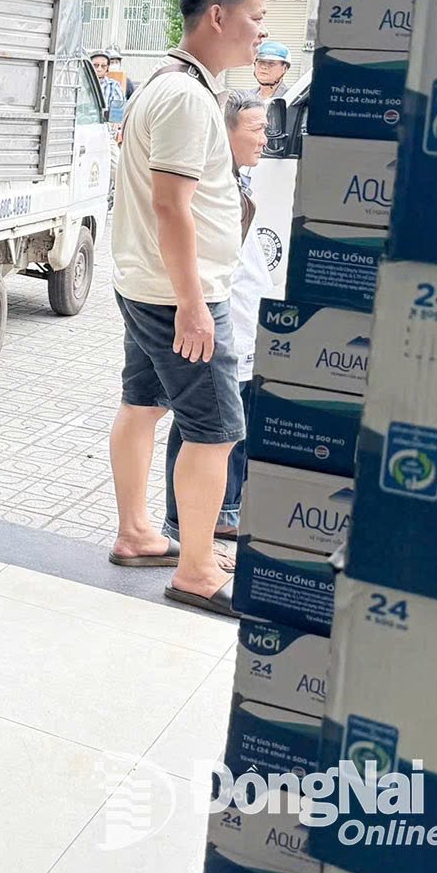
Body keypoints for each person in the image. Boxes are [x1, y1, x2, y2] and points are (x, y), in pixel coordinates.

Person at [105, 0, 269, 616]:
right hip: (178, 295)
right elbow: (172, 207)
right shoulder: (185, 96)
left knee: (142, 404)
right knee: (215, 430)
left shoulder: (173, 84)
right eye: (256, 18)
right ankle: (197, 569)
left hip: (152, 285)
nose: (261, 32)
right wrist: (196, 304)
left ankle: (137, 532)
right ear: (218, 17)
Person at [162, 90, 270, 544]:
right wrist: (196, 310)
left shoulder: (234, 183)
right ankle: (191, 526)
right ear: (224, 131)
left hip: (239, 323)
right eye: (256, 129)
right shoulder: (210, 186)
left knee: (222, 422)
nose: (265, 139)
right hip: (215, 321)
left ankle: (215, 515)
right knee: (206, 424)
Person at [89, 50, 127, 123]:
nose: (99, 69)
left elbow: (117, 116)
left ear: (107, 68)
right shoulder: (82, 84)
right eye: (96, 65)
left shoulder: (114, 86)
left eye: (103, 66)